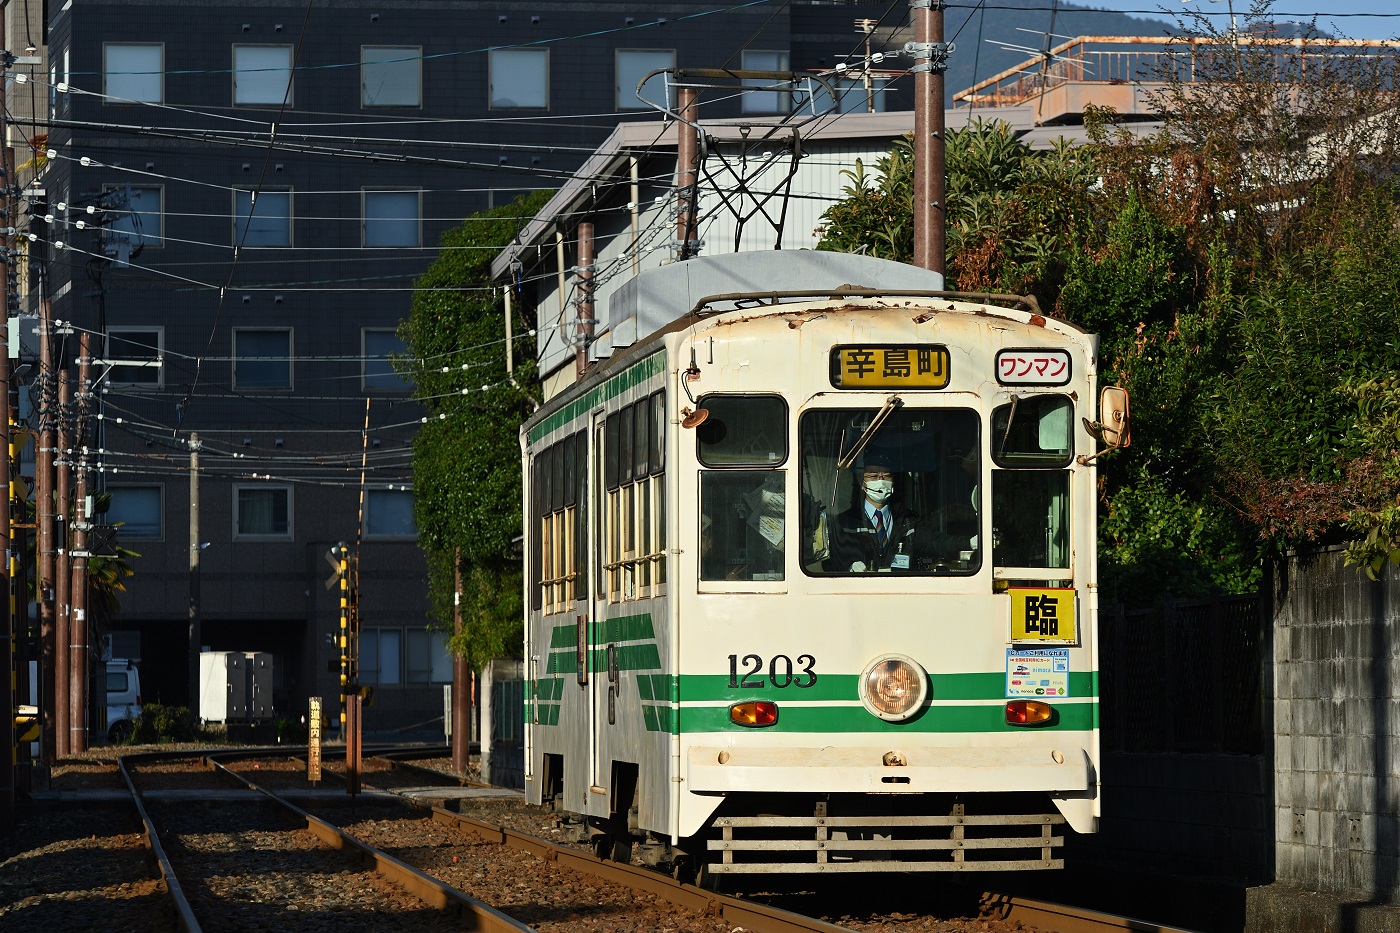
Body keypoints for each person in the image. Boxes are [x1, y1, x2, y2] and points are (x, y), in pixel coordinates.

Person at [824, 458, 920, 572]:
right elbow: (829, 562)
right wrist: (849, 567)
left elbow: (933, 541)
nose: (881, 481)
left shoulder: (909, 520)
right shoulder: (843, 523)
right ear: (862, 483)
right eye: (873, 476)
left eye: (886, 476)